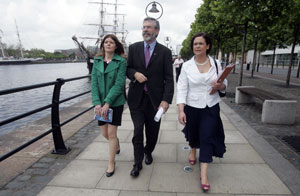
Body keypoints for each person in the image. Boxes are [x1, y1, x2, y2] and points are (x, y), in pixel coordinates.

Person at [176, 32, 227, 192]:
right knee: (193, 133)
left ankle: (204, 174)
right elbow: (182, 88)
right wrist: (181, 110)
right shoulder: (186, 66)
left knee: (207, 137)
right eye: (195, 44)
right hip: (192, 107)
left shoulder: (217, 63)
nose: (197, 46)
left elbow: (224, 82)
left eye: (200, 43)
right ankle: (192, 150)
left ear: (207, 46)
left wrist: (221, 86)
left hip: (211, 107)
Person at [126, 17, 174, 177]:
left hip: (155, 100)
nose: (145, 30)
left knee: (152, 132)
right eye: (144, 27)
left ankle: (148, 151)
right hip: (136, 99)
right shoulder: (133, 48)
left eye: (149, 27)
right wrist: (135, 74)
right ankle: (137, 163)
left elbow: (169, 78)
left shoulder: (165, 52)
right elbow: (127, 69)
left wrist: (166, 100)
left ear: (157, 31)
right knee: (138, 130)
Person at [91, 34, 127, 177]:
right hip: (100, 104)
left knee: (111, 134)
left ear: (116, 46)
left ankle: (111, 163)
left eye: (111, 42)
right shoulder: (97, 60)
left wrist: (108, 103)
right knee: (104, 133)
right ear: (103, 45)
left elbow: (119, 84)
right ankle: (116, 144)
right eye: (106, 42)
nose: (108, 44)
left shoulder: (121, 62)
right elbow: (93, 83)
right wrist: (97, 103)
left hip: (115, 102)